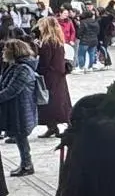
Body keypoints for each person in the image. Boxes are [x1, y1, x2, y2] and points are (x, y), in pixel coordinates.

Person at [0, 39, 38, 176]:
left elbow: (12, 90)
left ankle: (27, 165)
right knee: (19, 137)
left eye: (6, 50)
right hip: (16, 108)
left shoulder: (23, 68)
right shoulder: (15, 66)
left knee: (21, 137)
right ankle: (26, 164)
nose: (3, 52)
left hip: (21, 109)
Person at [35, 16, 72, 138]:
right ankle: (53, 127)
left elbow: (45, 62)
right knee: (60, 101)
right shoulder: (58, 41)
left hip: (50, 76)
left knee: (51, 102)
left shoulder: (48, 42)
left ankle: (55, 125)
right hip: (58, 75)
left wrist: (38, 70)